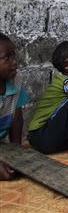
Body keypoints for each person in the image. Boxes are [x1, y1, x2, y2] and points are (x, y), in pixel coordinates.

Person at [0, 34, 28, 180]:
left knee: (20, 169)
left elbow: (17, 118)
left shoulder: (16, 80)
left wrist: (16, 152)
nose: (15, 62)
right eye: (7, 58)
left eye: (14, 56)